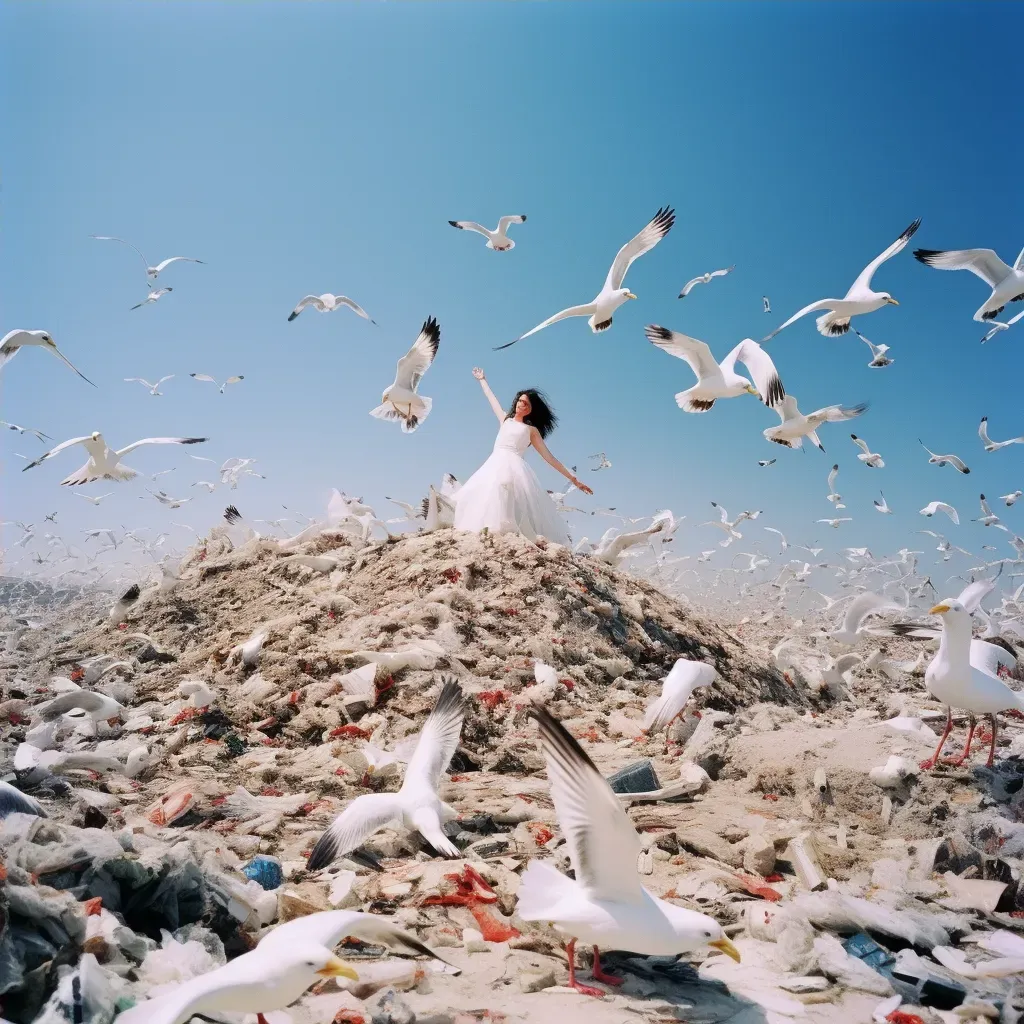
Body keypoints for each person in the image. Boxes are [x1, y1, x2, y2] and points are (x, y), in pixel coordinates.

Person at [453, 368, 592, 546]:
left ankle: (509, 535)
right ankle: (487, 532)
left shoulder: (531, 431)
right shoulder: (505, 419)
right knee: (484, 494)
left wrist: (574, 479)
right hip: (494, 463)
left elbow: (549, 457)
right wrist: (482, 380)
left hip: (515, 467)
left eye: (525, 404)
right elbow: (491, 399)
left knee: (508, 495)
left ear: (531, 409)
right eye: (520, 401)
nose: (521, 405)